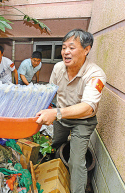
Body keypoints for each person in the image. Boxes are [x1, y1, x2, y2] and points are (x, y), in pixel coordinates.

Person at [35, 29, 106, 193]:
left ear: (86, 49)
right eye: (63, 47)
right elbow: (51, 92)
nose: (66, 52)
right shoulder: (58, 68)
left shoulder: (96, 74)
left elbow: (88, 107)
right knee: (54, 145)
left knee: (76, 161)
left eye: (72, 48)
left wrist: (56, 113)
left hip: (83, 121)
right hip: (61, 117)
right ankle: (52, 173)